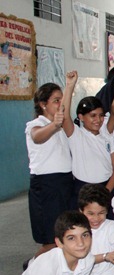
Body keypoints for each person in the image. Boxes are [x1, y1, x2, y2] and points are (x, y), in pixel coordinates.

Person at [25, 76, 74, 263]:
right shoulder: (36, 125)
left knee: (64, 233)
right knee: (50, 240)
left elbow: (65, 111)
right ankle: (33, 267)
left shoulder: (60, 125)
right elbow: (37, 137)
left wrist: (69, 86)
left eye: (61, 99)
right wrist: (54, 125)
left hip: (64, 182)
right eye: (56, 101)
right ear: (43, 104)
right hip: (46, 185)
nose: (60, 104)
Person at [65, 87, 114, 205]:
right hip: (82, 188)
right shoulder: (76, 135)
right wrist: (70, 86)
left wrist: (106, 192)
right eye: (93, 115)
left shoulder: (107, 136)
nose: (98, 120)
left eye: (101, 115)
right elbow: (65, 116)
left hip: (106, 187)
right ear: (81, 117)